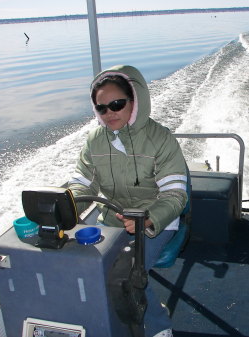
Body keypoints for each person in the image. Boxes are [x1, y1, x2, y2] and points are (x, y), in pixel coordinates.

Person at [69, 65, 188, 337]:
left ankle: (159, 326)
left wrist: (149, 218)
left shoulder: (161, 139)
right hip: (111, 220)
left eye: (117, 104)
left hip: (156, 222)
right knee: (90, 266)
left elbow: (175, 195)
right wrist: (69, 205)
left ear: (134, 101)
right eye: (102, 108)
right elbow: (82, 182)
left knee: (128, 274)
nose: (109, 113)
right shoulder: (94, 141)